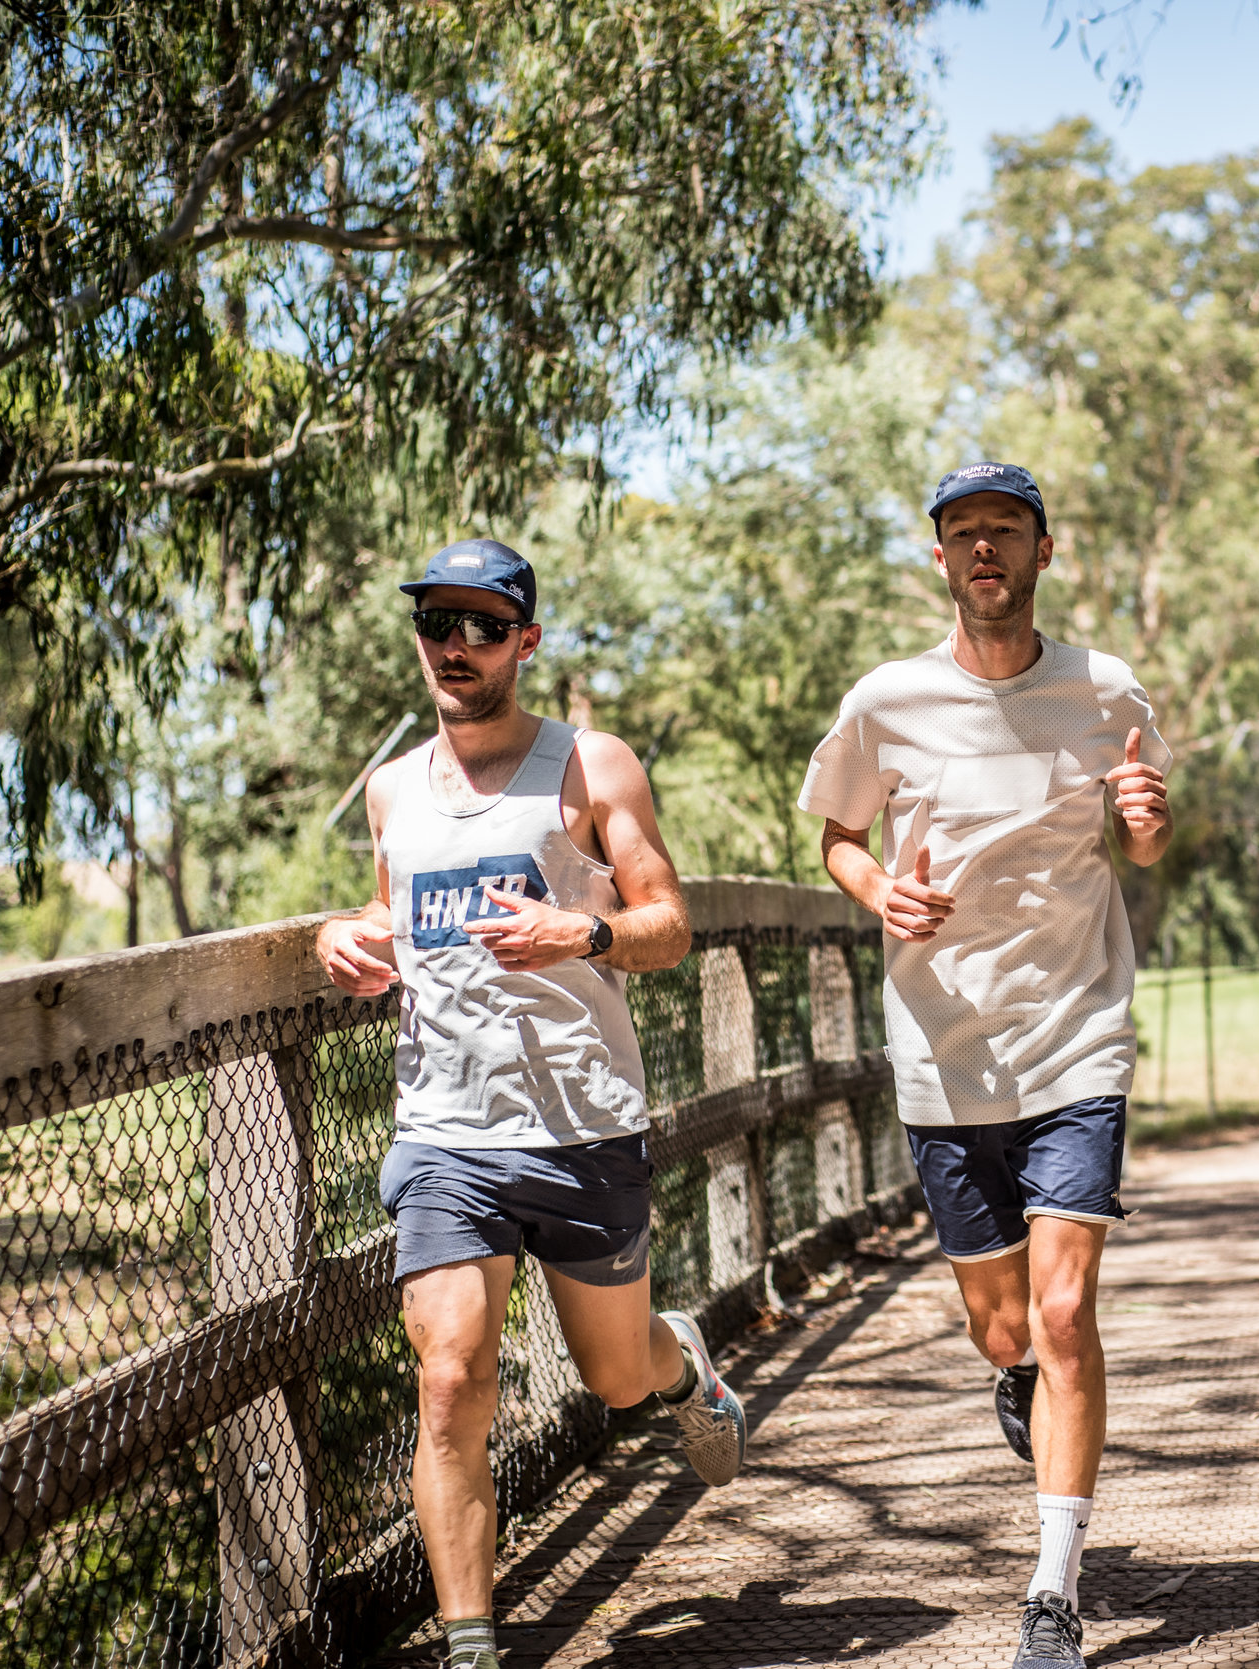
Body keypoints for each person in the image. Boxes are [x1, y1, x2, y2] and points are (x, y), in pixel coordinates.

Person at [315, 539, 749, 1669]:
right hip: (445, 1128)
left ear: (525, 640)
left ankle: (683, 1366)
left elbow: (670, 924)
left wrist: (580, 930)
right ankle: (472, 1644)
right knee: (451, 1375)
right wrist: (343, 939)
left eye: (480, 626)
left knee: (615, 1378)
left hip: (580, 1124)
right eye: (436, 624)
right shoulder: (393, 788)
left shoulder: (590, 766)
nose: (453, 646)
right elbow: (386, 923)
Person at [798, 463, 1173, 1669]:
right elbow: (835, 837)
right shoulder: (887, 701)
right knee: (1002, 1322)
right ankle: (1014, 1377)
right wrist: (878, 889)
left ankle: (1053, 1590)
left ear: (1044, 551)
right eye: (962, 536)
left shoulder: (1103, 688)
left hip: (1076, 1031)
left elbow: (1147, 835)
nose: (983, 551)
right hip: (944, 1048)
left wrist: (1148, 819)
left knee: (1065, 1313)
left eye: (1003, 531)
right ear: (942, 562)